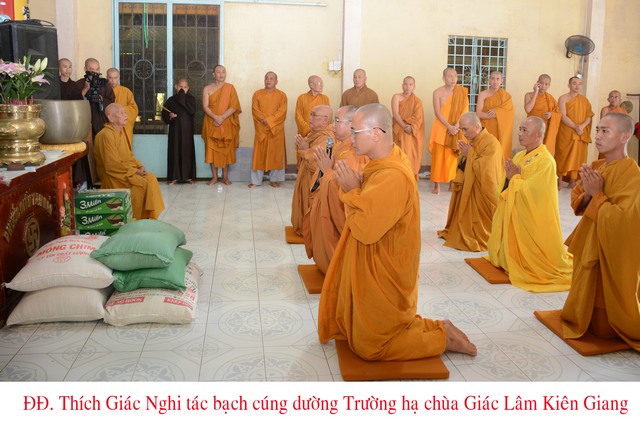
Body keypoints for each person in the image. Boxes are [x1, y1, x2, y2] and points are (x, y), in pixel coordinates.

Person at [317, 103, 477, 361]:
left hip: (386, 264)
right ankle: (436, 327)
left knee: (372, 347)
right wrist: (358, 186)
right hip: (378, 256)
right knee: (361, 327)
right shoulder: (387, 159)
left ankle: (442, 337)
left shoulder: (392, 175)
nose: (351, 137)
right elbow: (374, 202)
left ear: (376, 133)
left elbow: (366, 229)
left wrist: (351, 189)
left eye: (356, 131)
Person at [561, 113, 640, 351]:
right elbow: (578, 201)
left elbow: (625, 220)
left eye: (605, 131)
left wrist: (597, 195)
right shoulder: (598, 167)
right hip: (590, 242)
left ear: (624, 136)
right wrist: (588, 193)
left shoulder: (633, 175)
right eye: (597, 130)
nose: (597, 135)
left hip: (611, 250)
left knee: (604, 322)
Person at [485, 116, 572, 292]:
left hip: (532, 217)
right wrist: (510, 179)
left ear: (539, 134)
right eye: (520, 129)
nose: (520, 133)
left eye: (525, 130)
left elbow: (537, 192)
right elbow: (505, 183)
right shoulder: (519, 155)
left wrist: (515, 178)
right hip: (515, 211)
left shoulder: (546, 161)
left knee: (533, 260)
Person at [303, 105, 368, 274]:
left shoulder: (354, 153)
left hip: (337, 213)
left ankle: (337, 269)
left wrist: (327, 171)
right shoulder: (339, 146)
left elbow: (343, 192)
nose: (332, 125)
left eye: (337, 121)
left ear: (351, 124)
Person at [437, 113, 503, 252]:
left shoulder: (492, 144)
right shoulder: (473, 141)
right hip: (469, 188)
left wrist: (470, 154)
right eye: (462, 129)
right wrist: (464, 156)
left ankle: (477, 234)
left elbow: (488, 171)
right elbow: (466, 164)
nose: (463, 133)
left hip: (483, 192)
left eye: (465, 129)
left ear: (477, 127)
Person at [94, 103, 165, 220]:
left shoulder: (120, 132)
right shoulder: (106, 135)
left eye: (125, 112)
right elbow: (111, 165)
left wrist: (139, 166)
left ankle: (148, 217)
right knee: (142, 184)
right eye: (121, 113)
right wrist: (135, 171)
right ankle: (136, 219)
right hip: (114, 176)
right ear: (111, 118)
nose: (125, 115)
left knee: (151, 178)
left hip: (125, 171)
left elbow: (129, 156)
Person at [290, 105, 334, 236]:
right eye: (310, 114)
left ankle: (310, 231)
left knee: (310, 205)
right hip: (305, 177)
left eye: (314, 115)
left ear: (325, 120)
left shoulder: (328, 138)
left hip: (314, 182)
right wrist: (305, 148)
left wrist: (305, 150)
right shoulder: (313, 135)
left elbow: (319, 166)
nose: (310, 118)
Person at [428, 67, 469, 195]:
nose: (453, 79)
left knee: (452, 156)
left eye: (455, 76)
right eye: (450, 76)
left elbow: (464, 110)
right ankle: (437, 185)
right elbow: (437, 112)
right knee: (438, 157)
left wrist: (456, 125)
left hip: (456, 128)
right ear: (443, 78)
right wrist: (448, 126)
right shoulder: (437, 92)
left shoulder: (461, 92)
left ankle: (452, 183)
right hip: (441, 127)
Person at [201, 65, 242, 185]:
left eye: (223, 72)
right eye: (218, 72)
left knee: (226, 150)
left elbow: (234, 106)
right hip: (211, 122)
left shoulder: (230, 88)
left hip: (226, 122)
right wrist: (215, 117)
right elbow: (205, 106)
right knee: (211, 150)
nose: (221, 74)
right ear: (213, 74)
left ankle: (225, 177)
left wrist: (222, 118)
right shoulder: (207, 89)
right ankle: (214, 177)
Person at [249, 71, 288, 188]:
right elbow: (255, 110)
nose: (268, 80)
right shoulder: (257, 94)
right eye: (266, 78)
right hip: (261, 128)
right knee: (259, 155)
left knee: (276, 154)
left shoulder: (282, 95)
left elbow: (282, 112)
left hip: (276, 130)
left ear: (276, 81)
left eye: (271, 78)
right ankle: (256, 180)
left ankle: (275, 179)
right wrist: (265, 120)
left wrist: (269, 120)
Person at [555, 76, 594, 189]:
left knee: (578, 156)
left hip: (580, 131)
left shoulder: (585, 101)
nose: (577, 86)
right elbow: (563, 116)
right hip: (566, 131)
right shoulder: (563, 98)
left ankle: (573, 180)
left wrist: (581, 126)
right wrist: (575, 126)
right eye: (574, 83)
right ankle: (559, 180)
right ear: (569, 85)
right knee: (562, 154)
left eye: (580, 84)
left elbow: (589, 116)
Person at [162, 78, 196, 185]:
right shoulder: (171, 100)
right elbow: (164, 113)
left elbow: (192, 111)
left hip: (187, 131)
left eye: (185, 87)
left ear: (188, 88)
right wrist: (170, 116)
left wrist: (182, 100)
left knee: (187, 152)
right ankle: (174, 177)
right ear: (176, 86)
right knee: (174, 151)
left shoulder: (191, 99)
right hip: (175, 131)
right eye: (180, 87)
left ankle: (189, 177)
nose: (182, 89)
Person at [391, 76, 425, 180]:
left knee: (410, 155)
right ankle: (398, 178)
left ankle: (409, 177)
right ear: (402, 86)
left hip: (411, 132)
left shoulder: (417, 101)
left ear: (414, 87)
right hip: (399, 130)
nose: (407, 87)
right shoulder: (396, 97)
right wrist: (405, 126)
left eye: (410, 85)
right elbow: (395, 114)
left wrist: (411, 127)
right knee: (398, 155)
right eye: (405, 84)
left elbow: (419, 117)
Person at [476, 70, 514, 161]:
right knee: (486, 153)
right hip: (486, 130)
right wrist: (494, 115)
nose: (495, 81)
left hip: (500, 129)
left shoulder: (506, 96)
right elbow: (479, 113)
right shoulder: (483, 94)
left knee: (498, 153)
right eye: (493, 79)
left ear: (501, 81)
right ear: (489, 80)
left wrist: (497, 112)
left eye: (498, 79)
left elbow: (509, 113)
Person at [524, 74, 561, 155]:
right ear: (537, 83)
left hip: (545, 131)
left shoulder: (550, 98)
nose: (543, 86)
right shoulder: (529, 95)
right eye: (541, 83)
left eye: (546, 84)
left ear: (549, 85)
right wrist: (536, 92)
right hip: (532, 129)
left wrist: (551, 114)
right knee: (531, 152)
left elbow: (558, 113)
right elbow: (528, 109)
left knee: (543, 153)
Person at [78, 58, 115, 139]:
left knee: (101, 141)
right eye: (91, 69)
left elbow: (112, 101)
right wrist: (85, 89)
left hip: (101, 119)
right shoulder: (79, 83)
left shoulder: (104, 84)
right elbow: (75, 101)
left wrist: (102, 99)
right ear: (85, 69)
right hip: (85, 119)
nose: (95, 72)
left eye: (97, 69)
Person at [106, 67, 138, 150]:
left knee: (124, 149)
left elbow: (134, 109)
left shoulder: (126, 91)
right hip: (109, 126)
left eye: (115, 78)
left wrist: (121, 111)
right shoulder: (103, 91)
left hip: (123, 127)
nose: (113, 80)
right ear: (107, 77)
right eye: (110, 78)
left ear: (119, 77)